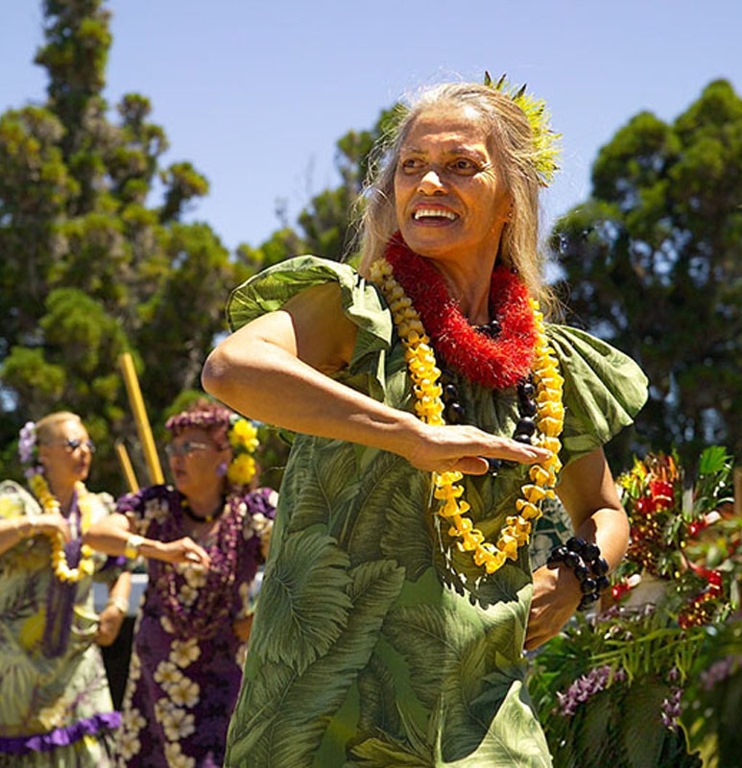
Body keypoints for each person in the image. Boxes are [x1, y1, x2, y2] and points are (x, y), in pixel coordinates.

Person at [202, 77, 649, 767]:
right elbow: (233, 367)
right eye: (411, 165)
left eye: (462, 165)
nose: (429, 182)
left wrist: (576, 575)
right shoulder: (356, 312)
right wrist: (410, 436)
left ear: (511, 197)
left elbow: (603, 511)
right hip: (329, 724)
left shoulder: (547, 368)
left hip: (485, 722)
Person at [0, 411, 210, 767]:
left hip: (75, 661)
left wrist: (117, 607)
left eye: (88, 444)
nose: (85, 451)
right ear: (43, 452)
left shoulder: (99, 509)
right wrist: (32, 525)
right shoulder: (16, 501)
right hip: (12, 664)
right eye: (73, 444)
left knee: (91, 754)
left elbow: (122, 565)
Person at [83, 399, 278, 767]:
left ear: (224, 454)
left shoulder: (253, 513)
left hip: (226, 672)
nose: (177, 456)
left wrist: (258, 620)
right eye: (173, 448)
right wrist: (156, 549)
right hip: (159, 672)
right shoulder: (157, 508)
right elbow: (97, 534)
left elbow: (296, 564)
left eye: (190, 447)